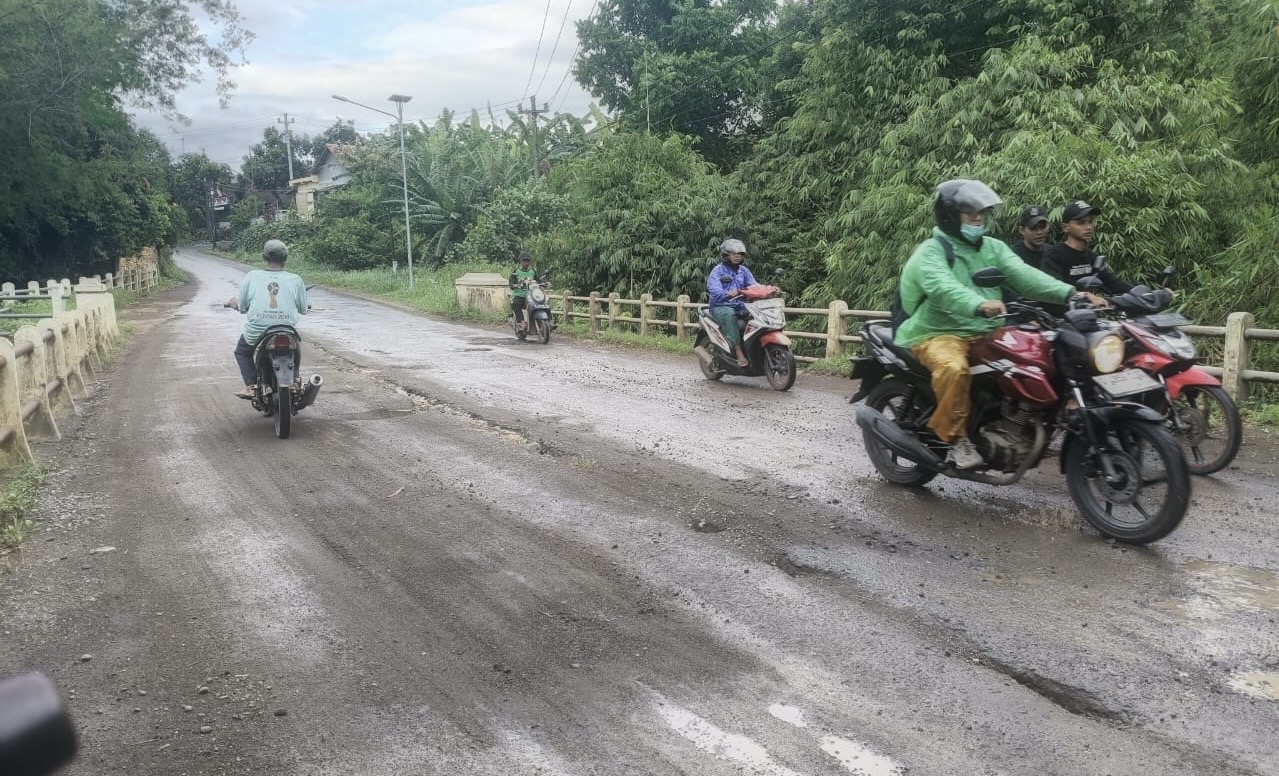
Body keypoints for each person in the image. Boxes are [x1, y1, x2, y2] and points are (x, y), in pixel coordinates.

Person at [894, 180, 1100, 469]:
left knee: (1039, 354)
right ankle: (956, 440)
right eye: (970, 213)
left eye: (981, 212)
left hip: (986, 330)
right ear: (950, 216)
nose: (978, 218)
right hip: (937, 332)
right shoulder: (931, 251)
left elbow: (1026, 276)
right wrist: (978, 304)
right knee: (953, 368)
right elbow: (943, 287)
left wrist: (1071, 294)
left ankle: (1017, 422)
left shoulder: (992, 247)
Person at [225, 239, 309, 399]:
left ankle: (251, 385)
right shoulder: (296, 279)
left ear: (264, 257)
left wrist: (233, 303)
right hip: (286, 329)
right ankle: (294, 380)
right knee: (295, 350)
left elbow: (242, 306)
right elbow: (303, 309)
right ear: (285, 257)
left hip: (258, 330)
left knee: (242, 352)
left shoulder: (252, 276)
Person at [1039, 200, 1134, 297]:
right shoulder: (1054, 255)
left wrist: (1138, 292)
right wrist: (1081, 296)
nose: (1088, 227)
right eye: (1081, 223)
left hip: (1089, 306)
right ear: (1065, 227)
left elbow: (1113, 283)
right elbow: (1054, 288)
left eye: (1091, 221)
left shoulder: (1092, 257)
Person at [706, 238, 757, 367]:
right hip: (721, 306)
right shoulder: (718, 271)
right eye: (733, 253)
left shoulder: (744, 271)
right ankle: (738, 351)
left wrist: (768, 290)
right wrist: (728, 294)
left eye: (739, 253)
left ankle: (754, 347)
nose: (737, 256)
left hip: (740, 305)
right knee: (729, 315)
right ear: (726, 255)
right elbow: (714, 289)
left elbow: (754, 285)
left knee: (757, 315)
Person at [509, 253, 537, 331]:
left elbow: (539, 280)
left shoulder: (532, 272)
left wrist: (545, 283)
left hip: (531, 295)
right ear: (520, 262)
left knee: (544, 302)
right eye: (524, 261)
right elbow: (511, 283)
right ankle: (521, 322)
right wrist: (515, 285)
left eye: (528, 261)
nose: (526, 263)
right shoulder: (515, 272)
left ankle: (548, 321)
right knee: (516, 303)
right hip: (519, 295)